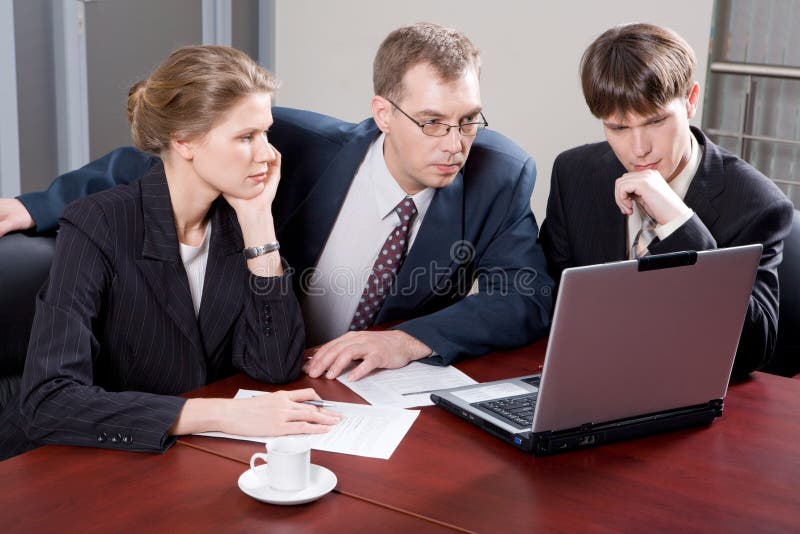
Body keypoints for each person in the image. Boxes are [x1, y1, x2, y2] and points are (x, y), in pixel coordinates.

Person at [0, 23, 554, 382]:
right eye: (432, 122)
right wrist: (36, 206)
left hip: (366, 391)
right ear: (383, 114)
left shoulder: (497, 174)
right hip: (256, 368)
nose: (454, 144)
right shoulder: (296, 145)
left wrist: (408, 340)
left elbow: (524, 298)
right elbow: (159, 160)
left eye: (467, 121)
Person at [0, 45, 340, 461]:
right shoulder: (97, 225)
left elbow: (274, 366)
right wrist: (221, 415)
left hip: (189, 459)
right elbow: (48, 401)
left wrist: (258, 223)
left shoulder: (239, 220)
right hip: (88, 461)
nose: (268, 154)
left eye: (266, 133)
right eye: (246, 137)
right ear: (185, 141)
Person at [539, 23, 794, 377]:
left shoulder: (756, 204)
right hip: (589, 380)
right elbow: (544, 300)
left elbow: (751, 350)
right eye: (618, 128)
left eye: (656, 121)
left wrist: (679, 224)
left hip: (687, 389)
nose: (639, 148)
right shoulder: (574, 174)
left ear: (691, 100)